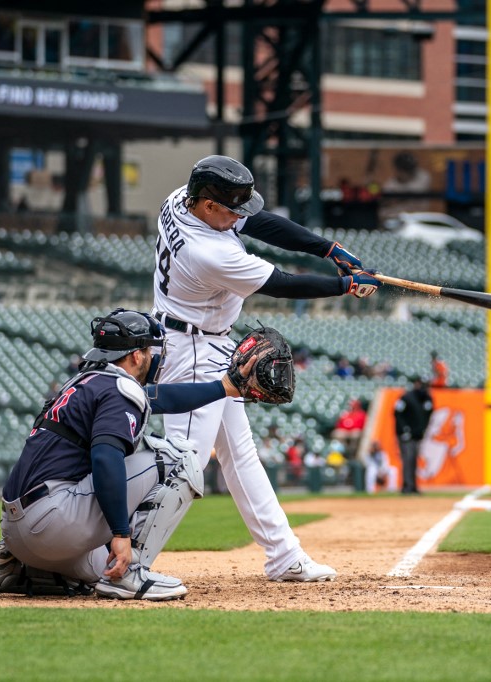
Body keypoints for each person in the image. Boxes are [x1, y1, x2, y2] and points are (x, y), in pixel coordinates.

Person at [150, 154, 383, 582]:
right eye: (232, 209)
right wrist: (346, 284)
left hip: (205, 340)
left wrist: (328, 249)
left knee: (241, 455)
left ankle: (283, 555)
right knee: (185, 462)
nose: (240, 215)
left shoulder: (181, 198)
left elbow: (261, 224)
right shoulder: (209, 252)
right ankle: (130, 562)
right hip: (192, 349)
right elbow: (283, 284)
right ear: (207, 206)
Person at [0, 309, 260, 601]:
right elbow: (104, 459)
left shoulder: (87, 382)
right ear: (136, 354)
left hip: (19, 529)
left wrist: (225, 387)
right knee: (179, 458)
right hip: (53, 521)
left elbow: (163, 398)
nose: (153, 358)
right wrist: (121, 534)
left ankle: (17, 567)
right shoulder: (120, 388)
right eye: (149, 351)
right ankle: (131, 574)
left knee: (100, 570)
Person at [395, 376, 433, 494]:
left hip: (417, 435)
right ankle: (407, 486)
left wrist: (422, 430)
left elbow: (429, 414)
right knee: (408, 459)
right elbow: (397, 413)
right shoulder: (406, 398)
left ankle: (413, 486)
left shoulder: (426, 399)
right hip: (406, 435)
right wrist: (404, 430)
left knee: (414, 460)